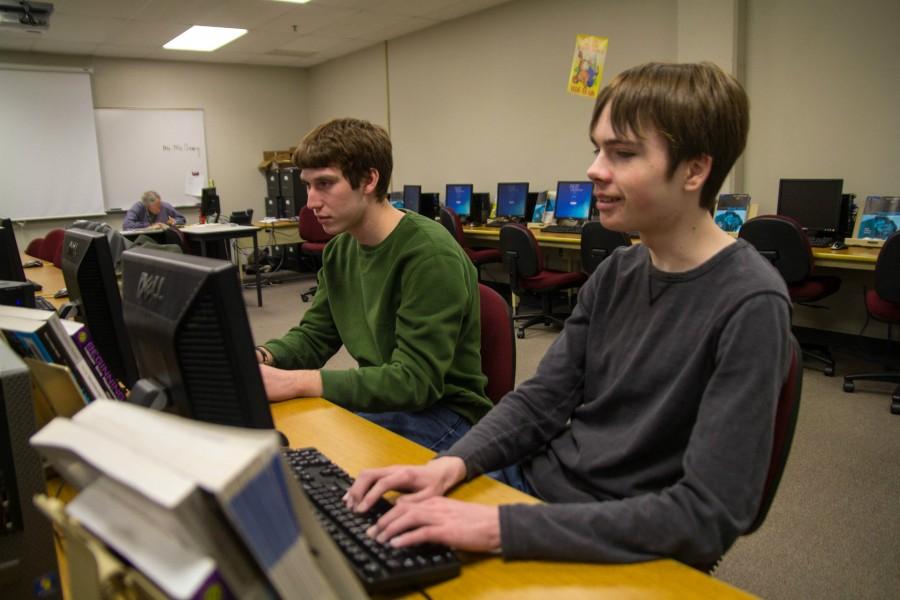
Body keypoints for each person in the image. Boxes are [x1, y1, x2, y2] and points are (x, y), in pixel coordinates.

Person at [344, 62, 793, 569]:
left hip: (624, 532)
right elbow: (542, 401)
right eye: (597, 148)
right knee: (368, 546)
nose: (595, 170)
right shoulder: (619, 270)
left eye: (622, 153)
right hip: (535, 491)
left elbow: (706, 515)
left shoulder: (751, 302)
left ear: (694, 170)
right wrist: (451, 465)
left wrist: (498, 528)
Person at [256, 118, 491, 451]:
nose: (310, 202)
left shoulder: (429, 254)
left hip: (444, 412)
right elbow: (315, 336)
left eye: (325, 184)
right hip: (390, 401)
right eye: (307, 185)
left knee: (321, 453)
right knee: (284, 441)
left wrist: (297, 381)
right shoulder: (341, 249)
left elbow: (415, 382)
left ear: (369, 179)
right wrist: (264, 357)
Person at [122, 191, 186, 230]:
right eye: (156, 206)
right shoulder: (138, 207)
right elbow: (126, 225)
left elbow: (182, 219)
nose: (160, 209)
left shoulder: (165, 206)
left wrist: (174, 222)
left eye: (159, 204)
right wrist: (150, 225)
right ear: (147, 206)